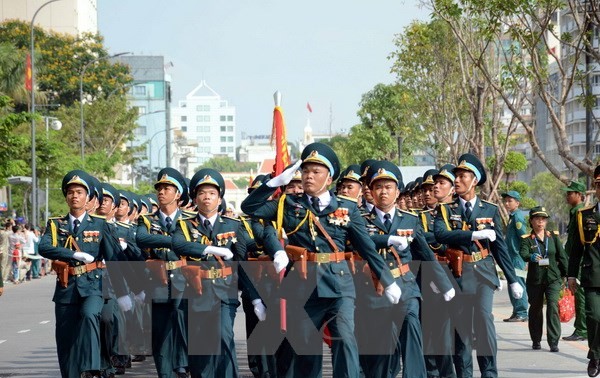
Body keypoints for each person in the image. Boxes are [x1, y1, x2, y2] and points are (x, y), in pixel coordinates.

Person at [241, 143, 401, 377]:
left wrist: (388, 280)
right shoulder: (288, 204)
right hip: (303, 287)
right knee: (306, 350)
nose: (309, 176)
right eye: (305, 171)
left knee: (345, 340)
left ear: (329, 178)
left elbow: (366, 247)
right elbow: (250, 207)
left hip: (339, 285)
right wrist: (274, 183)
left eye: (316, 172)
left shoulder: (346, 207)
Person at [355, 161, 454, 378]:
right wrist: (388, 239)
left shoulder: (410, 219)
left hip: (406, 287)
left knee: (411, 328)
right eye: (378, 187)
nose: (383, 192)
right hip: (376, 289)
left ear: (397, 191)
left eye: (388, 187)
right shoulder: (361, 221)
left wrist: (444, 284)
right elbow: (362, 243)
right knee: (382, 349)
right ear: (370, 191)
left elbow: (426, 254)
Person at [434, 153, 523, 378]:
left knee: (484, 320)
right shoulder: (446, 209)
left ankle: (489, 373)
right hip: (458, 274)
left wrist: (512, 279)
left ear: (474, 180)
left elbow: (499, 247)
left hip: (483, 272)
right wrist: (473, 233)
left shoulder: (489, 210)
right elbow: (441, 234)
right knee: (461, 328)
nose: (457, 180)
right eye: (456, 176)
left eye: (463, 176)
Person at [39, 170, 123, 378]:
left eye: (79, 192)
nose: (74, 196)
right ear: (66, 196)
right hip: (66, 288)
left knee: (89, 314)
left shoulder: (100, 224)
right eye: (70, 192)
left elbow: (114, 259)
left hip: (93, 286)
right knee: (65, 338)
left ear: (88, 197)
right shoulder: (56, 224)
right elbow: (44, 247)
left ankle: (93, 365)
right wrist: (73, 253)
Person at [136, 167, 189, 378]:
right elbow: (142, 239)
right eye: (159, 188)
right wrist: (177, 242)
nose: (162, 192)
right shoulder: (147, 220)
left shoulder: (190, 218)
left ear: (178, 194)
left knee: (181, 321)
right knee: (160, 332)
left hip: (184, 279)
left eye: (168, 188)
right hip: (157, 281)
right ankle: (165, 373)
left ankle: (183, 364)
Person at [519, 206, 567, 352]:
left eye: (543, 219)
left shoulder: (553, 237)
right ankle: (536, 339)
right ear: (531, 221)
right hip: (535, 280)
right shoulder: (527, 239)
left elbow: (562, 256)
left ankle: (553, 341)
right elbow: (523, 253)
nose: (540, 222)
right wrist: (530, 257)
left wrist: (568, 275)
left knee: (552, 306)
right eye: (537, 219)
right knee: (535, 309)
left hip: (553, 278)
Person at [567, 166, 600, 377]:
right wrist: (571, 275)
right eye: (599, 185)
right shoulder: (584, 215)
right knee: (595, 316)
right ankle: (595, 355)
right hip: (593, 276)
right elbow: (576, 249)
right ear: (595, 188)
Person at [562, 179, 588, 342]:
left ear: (579, 195)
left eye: (570, 193)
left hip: (579, 261)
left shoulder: (580, 213)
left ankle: (582, 329)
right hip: (574, 260)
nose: (567, 196)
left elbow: (577, 243)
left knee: (581, 296)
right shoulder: (575, 212)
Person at [501, 191, 529, 322]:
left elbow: (524, 237)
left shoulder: (518, 217)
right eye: (505, 201)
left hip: (517, 257)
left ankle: (522, 312)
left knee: (518, 283)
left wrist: (525, 255)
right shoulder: (512, 216)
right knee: (513, 283)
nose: (507, 203)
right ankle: (516, 311)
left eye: (510, 201)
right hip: (511, 256)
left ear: (517, 203)